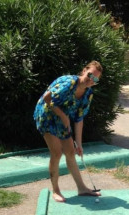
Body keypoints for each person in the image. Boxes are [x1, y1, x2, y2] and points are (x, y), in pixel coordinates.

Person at [34, 61, 103, 203]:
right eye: (90, 75)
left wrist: (79, 143)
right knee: (57, 153)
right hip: (46, 115)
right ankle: (56, 191)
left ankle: (82, 188)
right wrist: (63, 116)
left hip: (61, 118)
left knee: (71, 151)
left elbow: (79, 118)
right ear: (84, 71)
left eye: (95, 79)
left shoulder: (88, 94)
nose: (91, 80)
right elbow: (47, 97)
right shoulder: (69, 83)